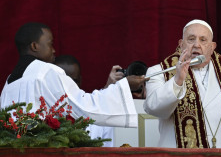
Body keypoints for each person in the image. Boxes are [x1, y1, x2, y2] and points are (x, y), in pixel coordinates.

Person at [144, 19, 221, 148]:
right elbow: (154, 108)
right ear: (181, 44)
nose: (197, 44)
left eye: (203, 40)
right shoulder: (159, 71)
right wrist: (177, 80)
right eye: (191, 39)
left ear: (212, 47)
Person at [0, 22, 146, 129]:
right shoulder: (46, 71)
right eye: (50, 44)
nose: (54, 50)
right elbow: (81, 108)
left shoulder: (10, 81)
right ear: (34, 46)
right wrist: (125, 85)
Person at [55, 54, 124, 147]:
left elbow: (107, 154)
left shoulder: (101, 113)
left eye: (73, 82)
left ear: (80, 80)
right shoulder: (42, 111)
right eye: (64, 82)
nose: (69, 87)